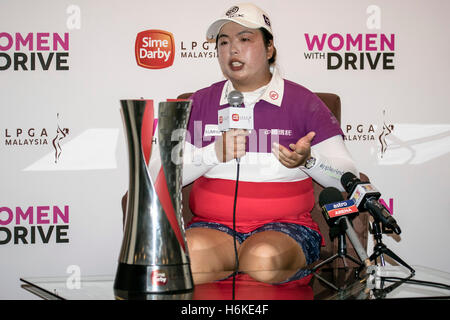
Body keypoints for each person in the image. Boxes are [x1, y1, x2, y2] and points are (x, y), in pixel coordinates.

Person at [181, 3, 359, 285]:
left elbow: (348, 175)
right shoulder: (198, 103)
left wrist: (308, 161)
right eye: (223, 42)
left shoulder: (304, 102)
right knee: (188, 258)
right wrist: (211, 154)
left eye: (245, 39)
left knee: (263, 259)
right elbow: (161, 174)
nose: (232, 50)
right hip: (212, 227)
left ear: (269, 48)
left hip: (286, 229)